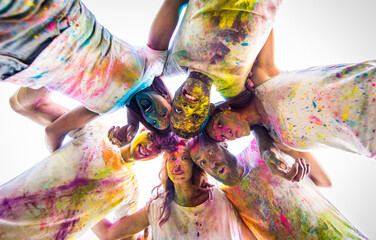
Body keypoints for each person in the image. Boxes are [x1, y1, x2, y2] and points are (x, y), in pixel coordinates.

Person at [1, 0, 172, 151]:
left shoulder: (106, 108)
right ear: (167, 97)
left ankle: (89, 135)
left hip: (24, 62)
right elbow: (172, 4)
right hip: (60, 20)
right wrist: (133, 125)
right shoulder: (153, 65)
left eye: (153, 123)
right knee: (18, 104)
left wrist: (59, 162)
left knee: (16, 104)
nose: (153, 117)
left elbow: (52, 131)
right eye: (164, 114)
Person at [205, 28, 376, 174]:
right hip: (370, 140)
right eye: (221, 137)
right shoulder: (278, 141)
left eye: (219, 125)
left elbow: (263, 19)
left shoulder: (262, 81)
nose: (226, 133)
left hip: (369, 86)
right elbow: (322, 180)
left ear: (225, 108)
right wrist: (289, 172)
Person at [0, 122, 176, 239]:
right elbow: (50, 127)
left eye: (158, 149)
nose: (150, 148)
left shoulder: (131, 189)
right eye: (152, 138)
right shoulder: (98, 134)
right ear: (143, 130)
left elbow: (109, 234)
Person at [188, 136, 368, 239]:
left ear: (223, 143)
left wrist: (300, 167)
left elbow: (323, 180)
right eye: (202, 162)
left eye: (210, 151)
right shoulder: (225, 198)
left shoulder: (264, 150)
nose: (210, 163)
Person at [148, 0, 282, 138]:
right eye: (195, 116)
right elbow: (258, 117)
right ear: (210, 110)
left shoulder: (172, 64)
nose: (187, 108)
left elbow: (140, 81)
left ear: (173, 97)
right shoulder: (232, 89)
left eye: (178, 110)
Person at [92, 139, 255, 240]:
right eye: (172, 158)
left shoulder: (220, 199)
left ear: (195, 164)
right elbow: (108, 234)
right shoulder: (157, 208)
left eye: (184, 158)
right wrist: (73, 201)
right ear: (166, 165)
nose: (178, 163)